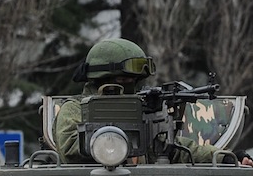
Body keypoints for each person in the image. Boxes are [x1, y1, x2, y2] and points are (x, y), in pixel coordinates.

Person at [55, 38, 216, 165]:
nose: (130, 85)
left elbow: (175, 148)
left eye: (134, 80)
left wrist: (220, 157)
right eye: (123, 79)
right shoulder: (74, 109)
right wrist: (117, 131)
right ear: (102, 79)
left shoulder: (141, 109)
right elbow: (70, 150)